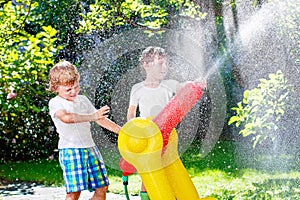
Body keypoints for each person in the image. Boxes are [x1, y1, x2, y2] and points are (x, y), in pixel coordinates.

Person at [127, 46, 206, 200]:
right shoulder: (137, 89)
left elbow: (184, 87)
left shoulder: (169, 84)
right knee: (148, 172)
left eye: (166, 63)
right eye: (160, 63)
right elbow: (131, 114)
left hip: (168, 134)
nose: (164, 67)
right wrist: (135, 132)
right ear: (146, 64)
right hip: (148, 135)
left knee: (169, 167)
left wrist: (195, 83)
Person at [48, 60, 121, 200]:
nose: (74, 91)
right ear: (56, 87)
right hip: (71, 150)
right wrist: (92, 116)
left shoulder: (83, 100)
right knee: (74, 192)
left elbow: (100, 119)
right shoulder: (56, 102)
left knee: (102, 187)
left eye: (76, 87)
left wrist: (122, 131)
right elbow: (66, 117)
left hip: (91, 149)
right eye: (68, 89)